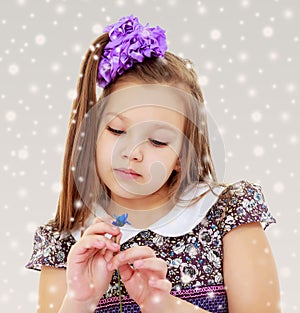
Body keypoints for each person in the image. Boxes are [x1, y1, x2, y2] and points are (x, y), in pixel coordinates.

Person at [26, 15, 281, 313]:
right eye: (117, 130)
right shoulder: (66, 242)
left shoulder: (226, 215)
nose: (132, 152)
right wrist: (80, 302)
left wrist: (166, 306)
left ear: (181, 157)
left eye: (158, 141)